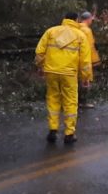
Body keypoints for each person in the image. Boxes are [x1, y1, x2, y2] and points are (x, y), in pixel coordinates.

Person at [35, 12, 93, 144]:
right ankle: (69, 134)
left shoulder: (51, 31)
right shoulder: (80, 36)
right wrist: (86, 77)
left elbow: (39, 52)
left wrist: (40, 66)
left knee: (53, 99)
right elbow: (85, 60)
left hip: (51, 71)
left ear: (64, 19)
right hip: (69, 74)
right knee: (70, 102)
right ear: (76, 20)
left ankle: (52, 130)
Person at [77, 11, 100, 109]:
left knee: (76, 81)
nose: (92, 21)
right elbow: (90, 46)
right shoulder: (87, 31)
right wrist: (95, 61)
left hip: (73, 58)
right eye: (91, 19)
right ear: (88, 19)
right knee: (85, 81)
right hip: (85, 59)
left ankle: (75, 101)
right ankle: (83, 102)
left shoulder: (75, 28)